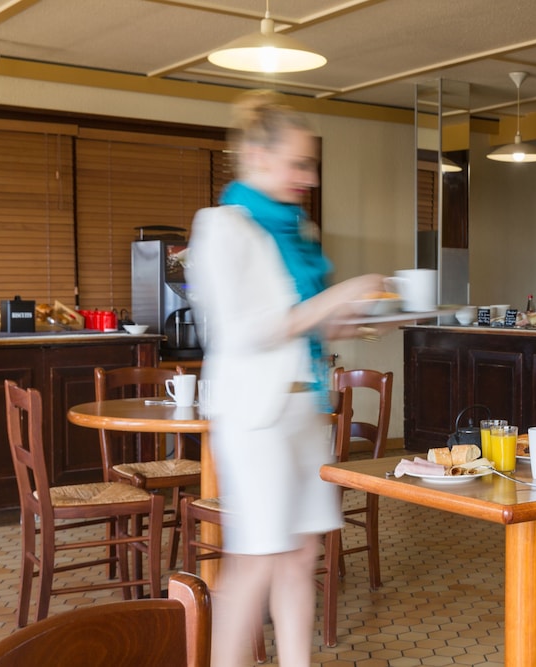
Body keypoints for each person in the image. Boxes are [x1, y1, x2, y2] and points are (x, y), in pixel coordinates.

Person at [186, 90, 386, 667]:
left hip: (304, 413)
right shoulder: (221, 227)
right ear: (257, 155)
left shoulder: (300, 233)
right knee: (255, 559)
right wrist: (338, 296)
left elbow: (307, 328)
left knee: (301, 557)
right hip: (256, 416)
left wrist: (360, 317)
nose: (310, 177)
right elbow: (247, 331)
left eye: (311, 164)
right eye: (299, 164)